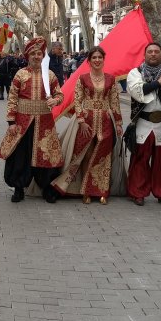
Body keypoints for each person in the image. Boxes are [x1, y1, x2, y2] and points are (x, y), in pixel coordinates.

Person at [0, 38, 64, 204]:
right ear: (27, 56)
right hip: (23, 121)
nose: (36, 56)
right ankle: (19, 188)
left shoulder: (50, 75)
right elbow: (12, 98)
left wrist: (55, 101)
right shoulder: (20, 74)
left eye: (39, 53)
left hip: (45, 121)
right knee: (21, 155)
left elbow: (60, 94)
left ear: (43, 56)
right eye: (33, 53)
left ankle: (47, 188)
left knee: (46, 154)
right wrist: (11, 122)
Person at [54, 46, 122, 204]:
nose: (97, 60)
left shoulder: (110, 79)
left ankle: (102, 191)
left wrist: (118, 123)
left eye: (100, 57)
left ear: (103, 60)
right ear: (89, 61)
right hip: (87, 120)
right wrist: (81, 121)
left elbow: (114, 102)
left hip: (105, 120)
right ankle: (86, 191)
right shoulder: (83, 78)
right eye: (94, 58)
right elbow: (77, 100)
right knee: (86, 155)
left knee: (104, 156)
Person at [126, 43, 161, 207]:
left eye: (156, 51)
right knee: (139, 160)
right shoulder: (135, 73)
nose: (153, 54)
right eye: (150, 51)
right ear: (144, 55)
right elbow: (138, 91)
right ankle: (138, 192)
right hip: (143, 123)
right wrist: (158, 83)